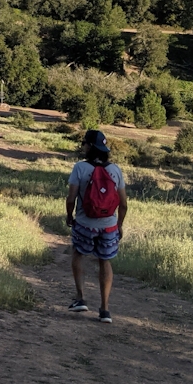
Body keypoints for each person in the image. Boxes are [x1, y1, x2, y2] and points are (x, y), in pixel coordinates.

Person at [65, 129, 128, 323]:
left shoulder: (80, 168)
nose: (83, 146)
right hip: (109, 226)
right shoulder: (115, 170)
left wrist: (70, 215)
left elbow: (71, 198)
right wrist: (119, 224)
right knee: (105, 261)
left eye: (84, 143)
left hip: (85, 223)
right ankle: (105, 310)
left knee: (78, 254)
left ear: (90, 147)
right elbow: (123, 203)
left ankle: (80, 298)